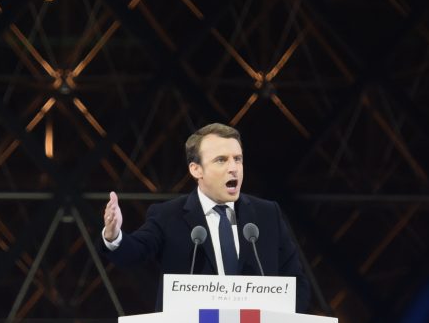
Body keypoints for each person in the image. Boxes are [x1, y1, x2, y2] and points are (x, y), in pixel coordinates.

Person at [101, 122, 310, 312]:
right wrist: (113, 235)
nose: (233, 168)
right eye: (221, 160)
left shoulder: (267, 215)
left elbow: (297, 283)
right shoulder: (168, 216)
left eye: (238, 159)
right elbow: (135, 252)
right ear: (196, 169)